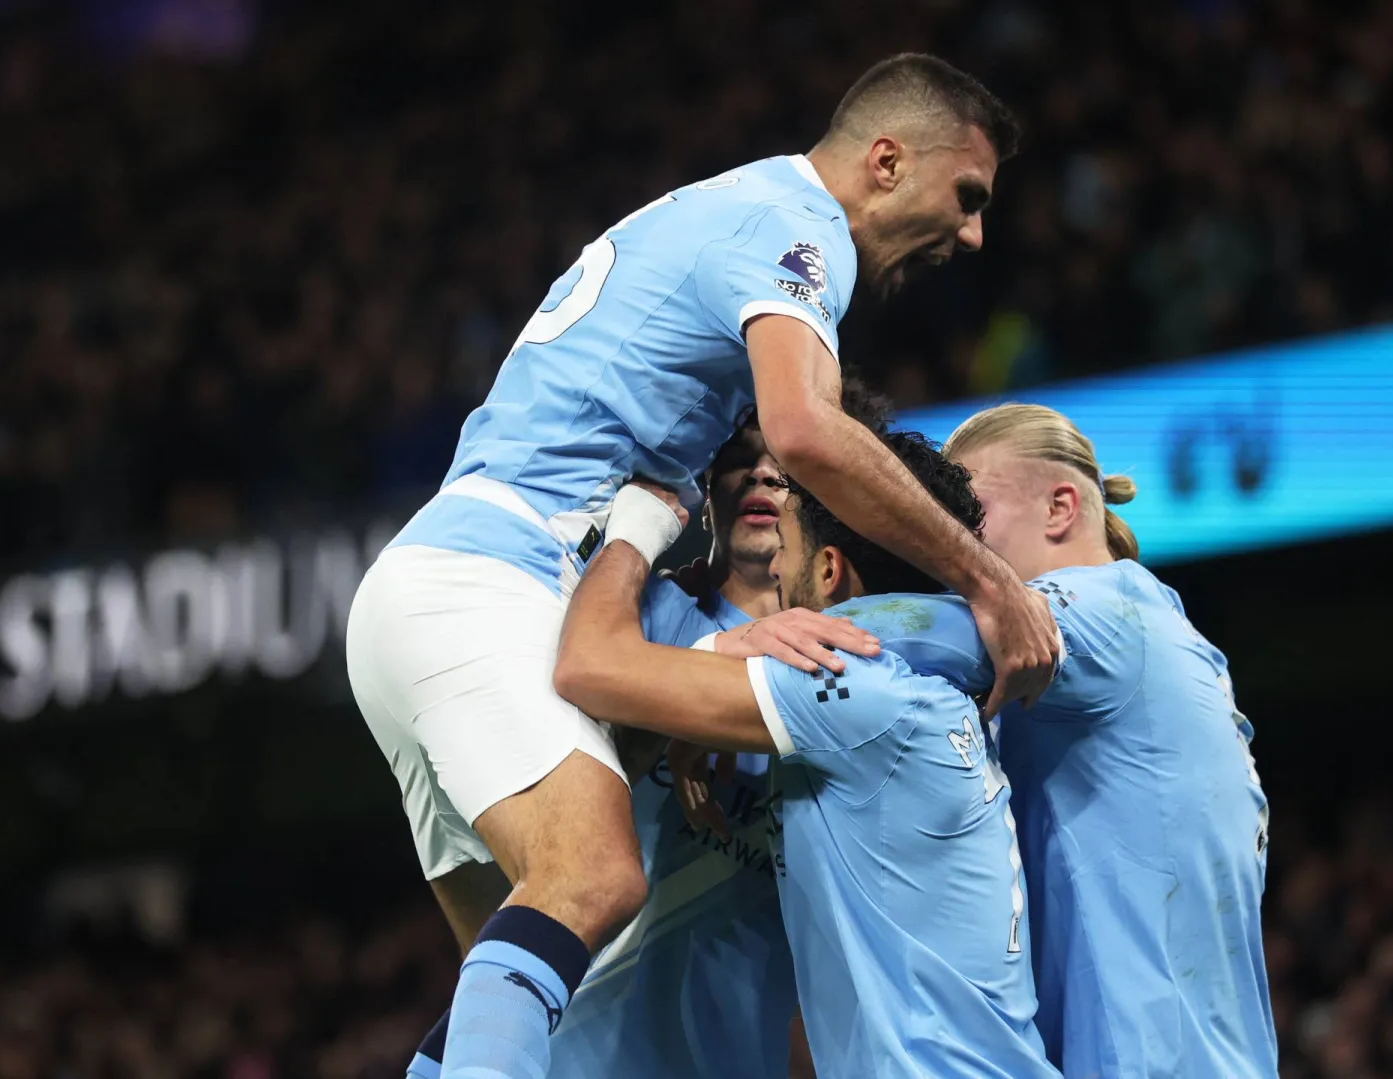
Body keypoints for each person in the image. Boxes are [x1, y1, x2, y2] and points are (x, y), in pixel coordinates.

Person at [346, 53, 1059, 1079]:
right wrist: (991, 580)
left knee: (540, 989)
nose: (974, 234)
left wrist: (697, 689)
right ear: (888, 162)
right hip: (496, 580)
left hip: (438, 587)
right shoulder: (799, 229)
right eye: (970, 196)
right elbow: (806, 430)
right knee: (594, 874)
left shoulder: (728, 209)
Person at [406, 385, 893, 1079]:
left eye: (785, 460)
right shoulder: (629, 619)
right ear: (706, 485)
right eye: (740, 456)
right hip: (550, 1054)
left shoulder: (858, 662)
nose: (762, 473)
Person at [552, 430, 1059, 1079]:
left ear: (828, 571)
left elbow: (586, 666)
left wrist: (633, 532)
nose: (776, 576)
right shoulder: (936, 685)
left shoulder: (851, 686)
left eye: (786, 552)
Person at [940, 404, 1277, 1078]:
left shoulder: (1100, 611)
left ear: (1059, 508)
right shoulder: (1166, 631)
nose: (946, 547)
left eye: (967, 517)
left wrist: (746, 638)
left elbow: (912, 639)